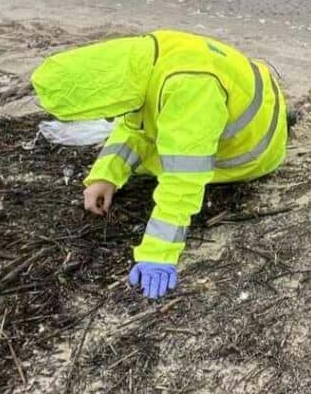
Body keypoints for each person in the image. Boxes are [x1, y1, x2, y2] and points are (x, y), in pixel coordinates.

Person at [32, 30, 290, 300]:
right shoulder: (140, 59)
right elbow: (135, 127)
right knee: (157, 141)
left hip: (258, 149)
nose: (108, 117)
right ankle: (286, 117)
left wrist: (158, 252)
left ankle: (284, 124)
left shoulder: (188, 89)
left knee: (168, 160)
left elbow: (184, 179)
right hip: (257, 95)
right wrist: (105, 176)